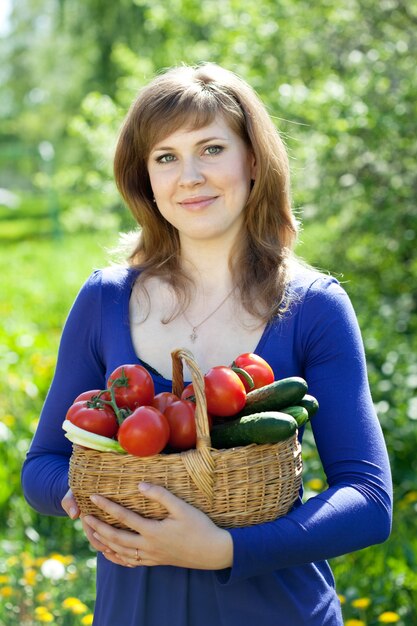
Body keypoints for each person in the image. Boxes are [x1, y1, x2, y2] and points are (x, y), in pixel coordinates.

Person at [21, 62, 392, 626]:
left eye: (212, 148)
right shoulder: (105, 300)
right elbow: (43, 465)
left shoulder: (313, 306)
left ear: (253, 161)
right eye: (165, 157)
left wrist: (225, 550)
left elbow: (368, 500)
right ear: (145, 179)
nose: (189, 175)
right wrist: (86, 499)